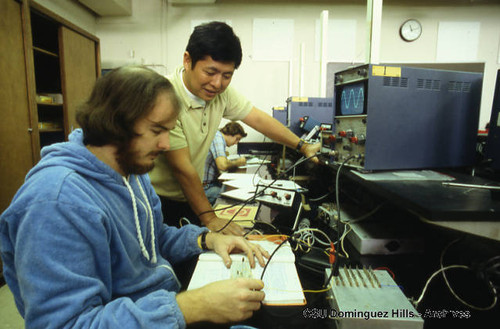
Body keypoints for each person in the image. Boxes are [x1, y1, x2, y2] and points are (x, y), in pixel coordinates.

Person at [0, 66, 269, 329]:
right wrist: (192, 307)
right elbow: (66, 323)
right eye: (157, 131)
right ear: (117, 123)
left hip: (158, 306)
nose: (165, 145)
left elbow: (152, 239)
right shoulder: (55, 203)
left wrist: (207, 238)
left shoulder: (130, 170)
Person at [149, 21, 320, 236]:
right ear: (187, 60)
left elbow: (258, 119)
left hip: (190, 196)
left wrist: (302, 146)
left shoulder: (221, 94)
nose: (218, 83)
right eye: (210, 72)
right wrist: (210, 218)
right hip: (159, 202)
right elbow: (183, 169)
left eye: (227, 75)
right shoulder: (166, 96)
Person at [204, 121, 247, 204]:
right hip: (205, 188)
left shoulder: (217, 136)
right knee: (236, 196)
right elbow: (222, 165)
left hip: (208, 184)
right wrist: (239, 162)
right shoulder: (217, 137)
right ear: (230, 133)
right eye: (237, 139)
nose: (236, 143)